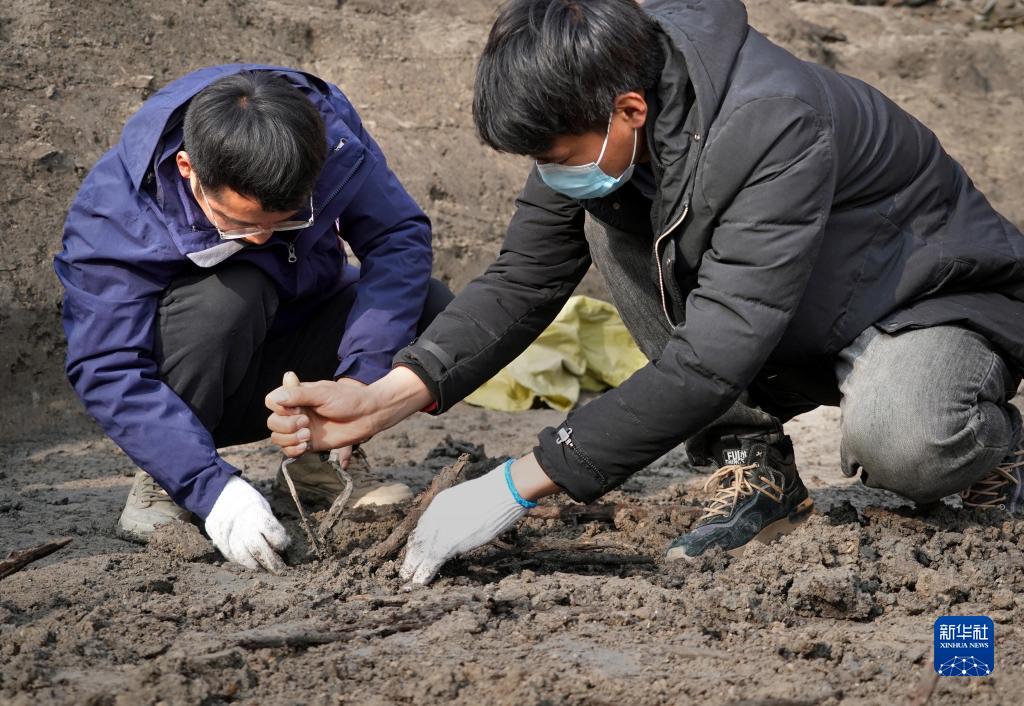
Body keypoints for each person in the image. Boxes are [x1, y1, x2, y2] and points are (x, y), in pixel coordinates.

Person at [266, 0, 1024, 584]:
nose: (553, 171)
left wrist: (516, 483)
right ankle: (754, 470)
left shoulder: (770, 122)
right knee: (609, 224)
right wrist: (386, 396)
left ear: (630, 109)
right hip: (790, 304)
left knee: (905, 442)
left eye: (556, 156)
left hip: (919, 297)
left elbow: (713, 354)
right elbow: (523, 279)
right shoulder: (594, 104)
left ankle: (995, 451)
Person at [56, 65, 452, 572]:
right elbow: (108, 366)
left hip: (293, 328)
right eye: (240, 222)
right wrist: (212, 490)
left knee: (430, 308)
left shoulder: (325, 136)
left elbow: (397, 236)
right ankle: (165, 480)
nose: (263, 237)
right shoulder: (116, 211)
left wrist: (361, 383)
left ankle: (318, 460)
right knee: (231, 295)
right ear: (187, 168)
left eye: (285, 219)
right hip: (200, 369)